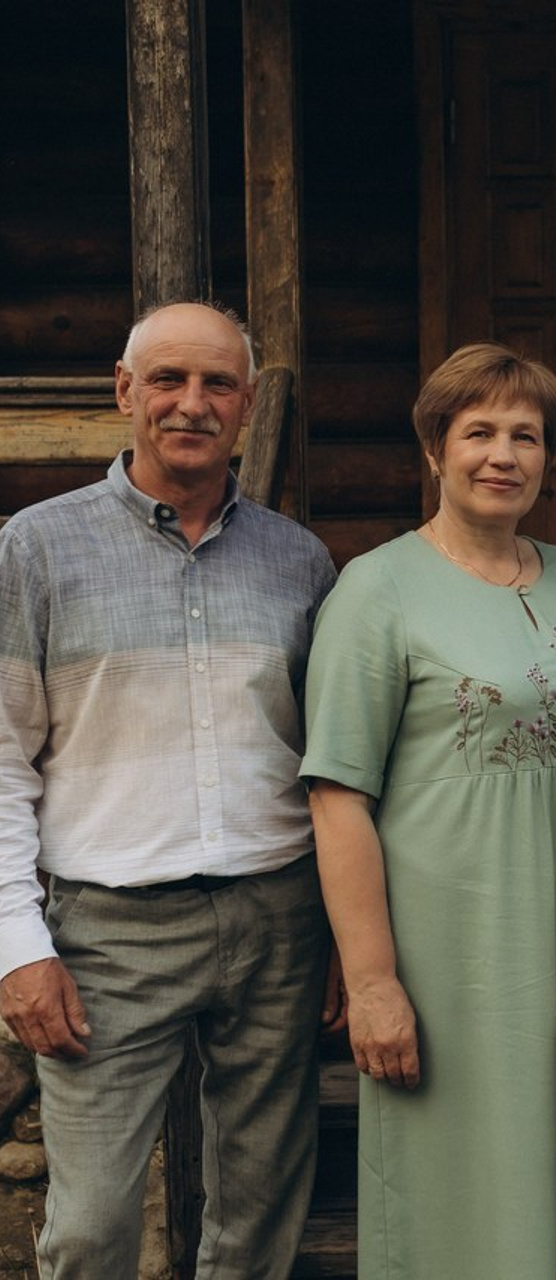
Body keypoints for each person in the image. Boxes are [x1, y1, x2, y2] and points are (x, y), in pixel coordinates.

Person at [301, 341, 556, 1279]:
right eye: (479, 433)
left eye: (527, 436)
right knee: (473, 1193)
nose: (504, 455)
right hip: (465, 964)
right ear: (434, 448)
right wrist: (373, 982)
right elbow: (339, 797)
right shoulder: (374, 591)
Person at [0, 301, 338, 1276]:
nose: (191, 404)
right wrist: (20, 948)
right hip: (107, 934)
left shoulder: (297, 560)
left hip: (278, 918)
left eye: (217, 384)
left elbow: (327, 761)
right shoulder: (35, 548)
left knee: (256, 1218)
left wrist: (340, 937)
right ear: (124, 391)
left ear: (246, 405)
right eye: (167, 380)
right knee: (94, 1225)